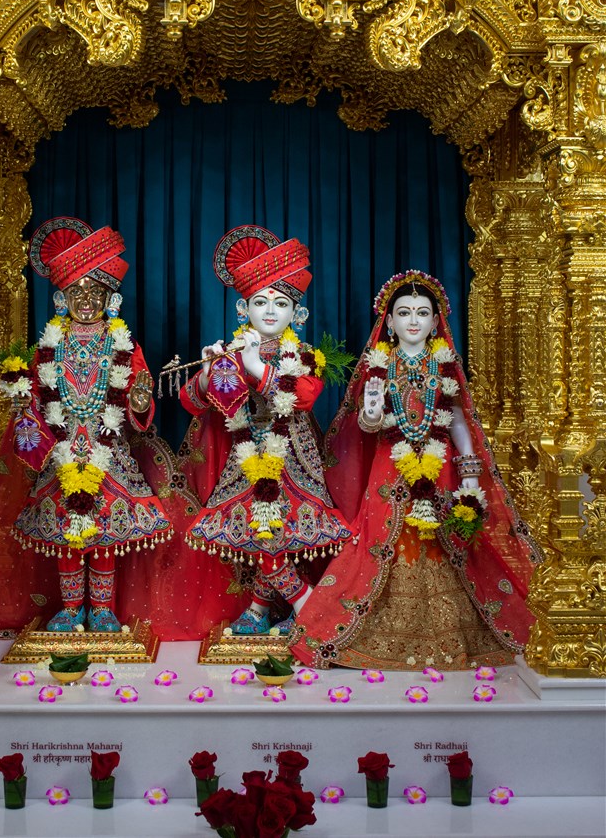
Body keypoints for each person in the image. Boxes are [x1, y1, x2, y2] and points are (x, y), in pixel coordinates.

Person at [290, 270, 544, 669]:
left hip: (440, 467)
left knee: (449, 538)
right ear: (389, 322)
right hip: (390, 468)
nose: (413, 320)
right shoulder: (378, 365)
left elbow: (457, 421)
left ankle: (456, 629)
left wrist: (470, 472)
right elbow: (367, 426)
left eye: (422, 313)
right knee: (381, 538)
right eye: (404, 312)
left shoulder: (444, 365)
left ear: (435, 320)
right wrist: (371, 412)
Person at [0, 217, 171, 633]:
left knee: (105, 531)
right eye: (77, 293)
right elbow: (37, 398)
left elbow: (138, 401)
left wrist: (140, 401)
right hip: (60, 452)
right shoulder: (49, 345)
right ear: (61, 298)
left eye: (95, 293)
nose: (86, 301)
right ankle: (72, 608)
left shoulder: (123, 343)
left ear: (111, 299)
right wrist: (23, 400)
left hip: (108, 451)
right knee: (65, 532)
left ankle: (103, 610)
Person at [179, 225, 352, 635]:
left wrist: (257, 366)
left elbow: (303, 396)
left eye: (281, 303)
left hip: (292, 454)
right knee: (259, 526)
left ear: (298, 314)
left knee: (275, 527)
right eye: (260, 302)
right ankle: (287, 605)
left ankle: (282, 606)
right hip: (243, 455)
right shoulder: (230, 351)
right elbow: (193, 402)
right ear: (244, 310)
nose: (270, 311)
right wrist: (209, 374)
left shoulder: (304, 355)